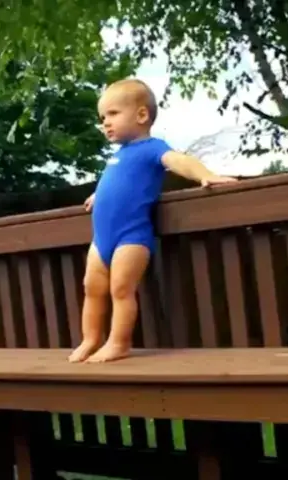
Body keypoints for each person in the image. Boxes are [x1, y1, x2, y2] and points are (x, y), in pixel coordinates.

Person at [68, 78, 238, 363]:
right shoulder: (117, 156)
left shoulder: (152, 148)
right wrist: (99, 195)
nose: (105, 123)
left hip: (131, 237)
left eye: (112, 114)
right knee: (91, 288)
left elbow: (179, 161)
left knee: (120, 288)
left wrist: (205, 175)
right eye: (102, 117)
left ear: (141, 115)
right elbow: (118, 182)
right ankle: (90, 339)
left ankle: (118, 343)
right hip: (101, 239)